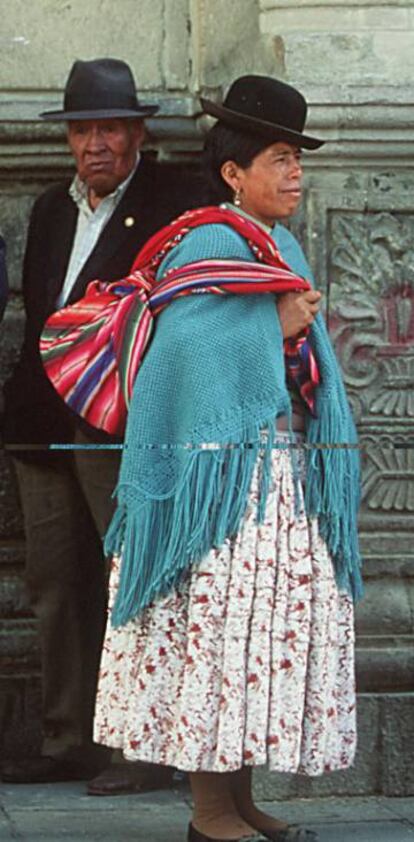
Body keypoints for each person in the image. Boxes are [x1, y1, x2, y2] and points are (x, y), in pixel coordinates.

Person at [91, 75, 362, 842]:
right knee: (220, 641)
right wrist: (271, 324)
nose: (295, 174)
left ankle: (240, 802)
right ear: (234, 172)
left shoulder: (282, 242)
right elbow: (180, 358)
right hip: (222, 491)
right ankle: (209, 815)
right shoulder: (210, 240)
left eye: (298, 159)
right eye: (279, 158)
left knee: (255, 642)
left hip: (281, 476)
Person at [1, 57, 201, 793]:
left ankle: (142, 746)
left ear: (138, 132)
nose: (96, 144)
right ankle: (69, 737)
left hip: (122, 425)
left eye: (110, 128)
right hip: (41, 423)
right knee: (56, 583)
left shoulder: (175, 198)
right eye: (83, 129)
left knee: (133, 581)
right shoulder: (55, 209)